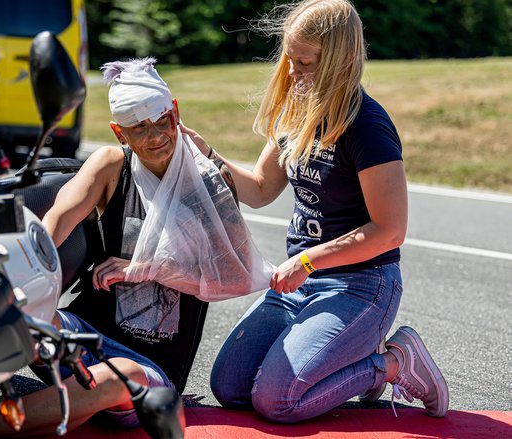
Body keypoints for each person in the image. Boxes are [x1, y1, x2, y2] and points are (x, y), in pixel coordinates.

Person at [182, 0, 449, 424]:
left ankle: (397, 362)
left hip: (362, 285)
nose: (292, 73)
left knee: (278, 401)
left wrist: (308, 259)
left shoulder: (367, 127)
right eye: (289, 60)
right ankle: (346, 358)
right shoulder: (296, 111)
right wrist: (207, 156)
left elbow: (389, 230)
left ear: (340, 61)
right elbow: (260, 189)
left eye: (304, 63)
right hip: (301, 285)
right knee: (230, 388)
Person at [0, 58, 237, 437]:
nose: (156, 137)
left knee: (115, 378)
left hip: (149, 368)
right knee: (8, 323)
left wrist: (141, 268)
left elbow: (228, 275)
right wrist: (11, 291)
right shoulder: (110, 165)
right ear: (120, 134)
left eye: (162, 121)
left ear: (175, 113)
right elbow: (55, 222)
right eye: (139, 129)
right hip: (85, 331)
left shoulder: (209, 179)